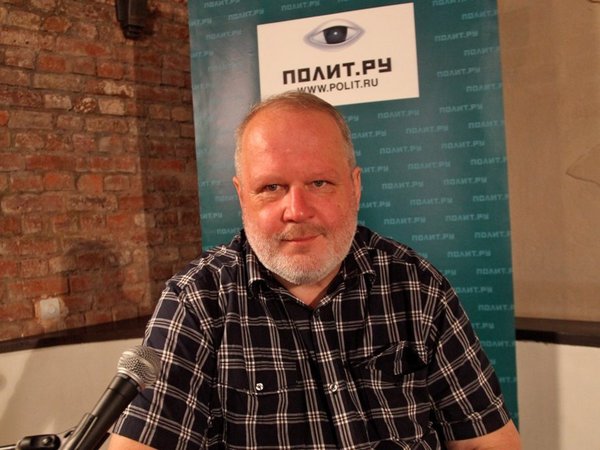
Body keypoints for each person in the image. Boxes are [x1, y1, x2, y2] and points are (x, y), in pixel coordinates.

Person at [108, 91, 521, 449]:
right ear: (242, 196)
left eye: (320, 183)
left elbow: (485, 441)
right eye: (271, 187)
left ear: (355, 187)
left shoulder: (417, 288)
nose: (297, 210)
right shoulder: (197, 302)